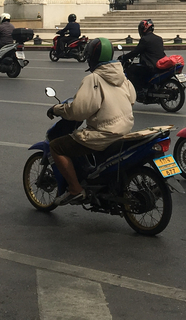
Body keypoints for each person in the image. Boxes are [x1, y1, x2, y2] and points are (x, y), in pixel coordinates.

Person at [48, 37, 136, 205]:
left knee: (56, 147)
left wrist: (57, 109)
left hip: (104, 133)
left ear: (92, 56)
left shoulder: (93, 79)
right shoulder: (123, 77)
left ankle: (75, 189)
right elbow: (132, 99)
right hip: (125, 129)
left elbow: (79, 111)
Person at [120, 19, 165, 93]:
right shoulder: (159, 39)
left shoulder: (145, 39)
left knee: (131, 69)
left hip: (150, 66)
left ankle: (139, 90)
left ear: (143, 29)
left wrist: (124, 57)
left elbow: (136, 52)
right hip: (160, 64)